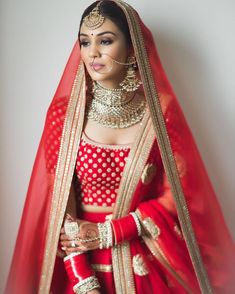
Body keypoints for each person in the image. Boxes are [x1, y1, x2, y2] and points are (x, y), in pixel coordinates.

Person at [5, 1, 235, 293]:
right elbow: (59, 206)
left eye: (106, 41)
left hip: (142, 259)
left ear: (131, 47)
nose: (93, 53)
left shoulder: (161, 114)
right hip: (80, 263)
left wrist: (111, 232)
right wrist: (82, 280)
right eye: (85, 42)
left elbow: (179, 196)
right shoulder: (63, 117)